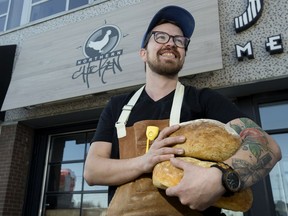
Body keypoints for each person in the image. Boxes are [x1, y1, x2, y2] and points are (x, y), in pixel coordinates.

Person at [84, 5, 282, 216]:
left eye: (179, 41)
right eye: (160, 37)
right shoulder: (117, 106)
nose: (171, 43)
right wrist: (146, 161)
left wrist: (222, 177)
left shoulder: (204, 100)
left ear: (183, 54)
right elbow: (92, 170)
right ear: (143, 53)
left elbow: (268, 145)